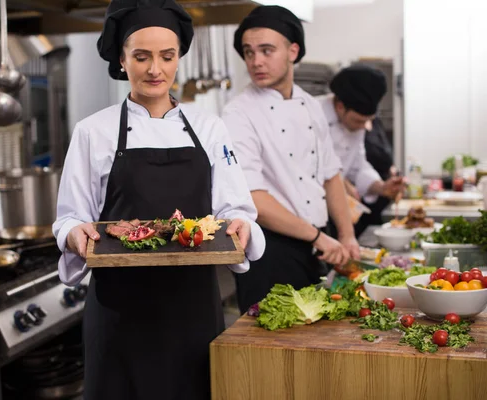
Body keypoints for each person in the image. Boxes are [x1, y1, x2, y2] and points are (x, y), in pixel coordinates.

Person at [52, 0, 265, 398]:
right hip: (119, 309)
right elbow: (69, 218)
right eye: (141, 56)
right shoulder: (91, 132)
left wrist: (242, 227)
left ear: (179, 58)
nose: (155, 69)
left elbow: (236, 210)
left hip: (193, 307)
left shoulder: (209, 127)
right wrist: (73, 235)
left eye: (167, 56)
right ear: (122, 59)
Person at [222, 5, 359, 315]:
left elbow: (330, 175)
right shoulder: (238, 113)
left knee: (314, 348)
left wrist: (347, 235)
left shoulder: (310, 106)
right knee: (273, 352)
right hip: (268, 250)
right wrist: (319, 237)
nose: (256, 61)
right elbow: (254, 197)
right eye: (249, 52)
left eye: (267, 50)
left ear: (293, 51)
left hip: (315, 245)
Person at [317, 65, 404, 207]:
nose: (364, 126)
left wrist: (382, 187)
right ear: (340, 106)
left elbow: (358, 167)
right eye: (359, 121)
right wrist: (340, 184)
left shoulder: (355, 125)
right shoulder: (309, 114)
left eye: (368, 121)